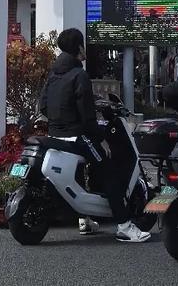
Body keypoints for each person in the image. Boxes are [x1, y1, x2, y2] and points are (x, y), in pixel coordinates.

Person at [36, 28, 151, 244]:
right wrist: (102, 138)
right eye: (83, 44)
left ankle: (85, 219)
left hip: (55, 135)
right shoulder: (79, 75)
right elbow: (88, 120)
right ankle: (125, 227)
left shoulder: (54, 74)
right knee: (109, 169)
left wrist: (60, 120)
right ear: (79, 47)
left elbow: (43, 106)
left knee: (83, 169)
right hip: (75, 136)